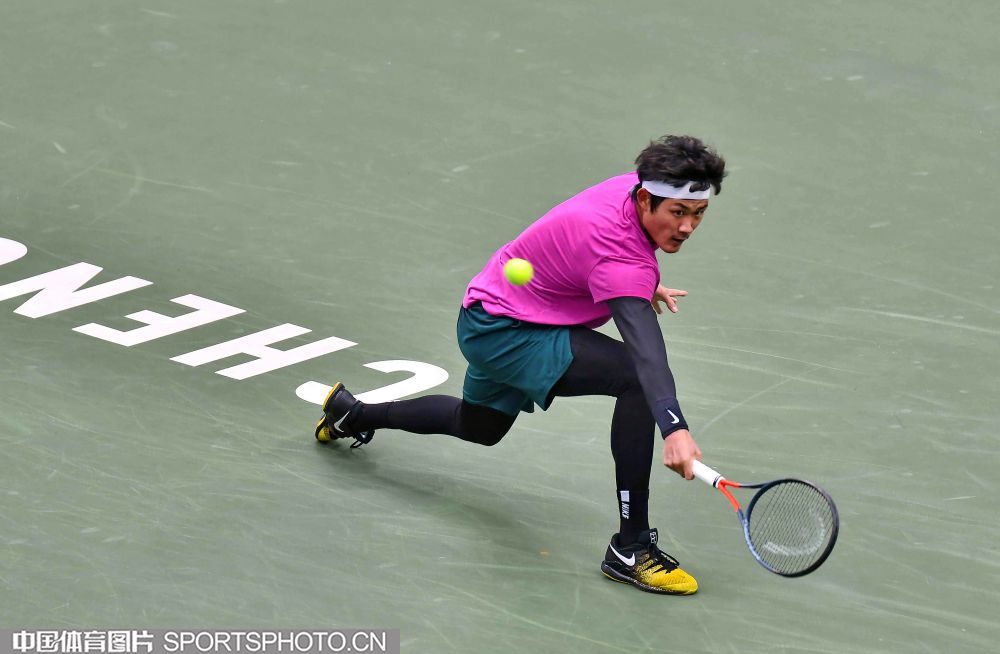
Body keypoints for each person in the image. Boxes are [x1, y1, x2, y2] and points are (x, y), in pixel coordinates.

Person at [314, 134, 726, 595]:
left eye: (699, 213)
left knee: (478, 427)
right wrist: (674, 427)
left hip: (492, 310)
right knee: (633, 377)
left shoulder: (636, 188)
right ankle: (631, 548)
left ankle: (352, 413)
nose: (688, 226)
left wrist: (638, 285)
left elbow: (600, 254)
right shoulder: (620, 256)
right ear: (646, 198)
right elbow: (647, 350)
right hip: (504, 331)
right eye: (678, 212)